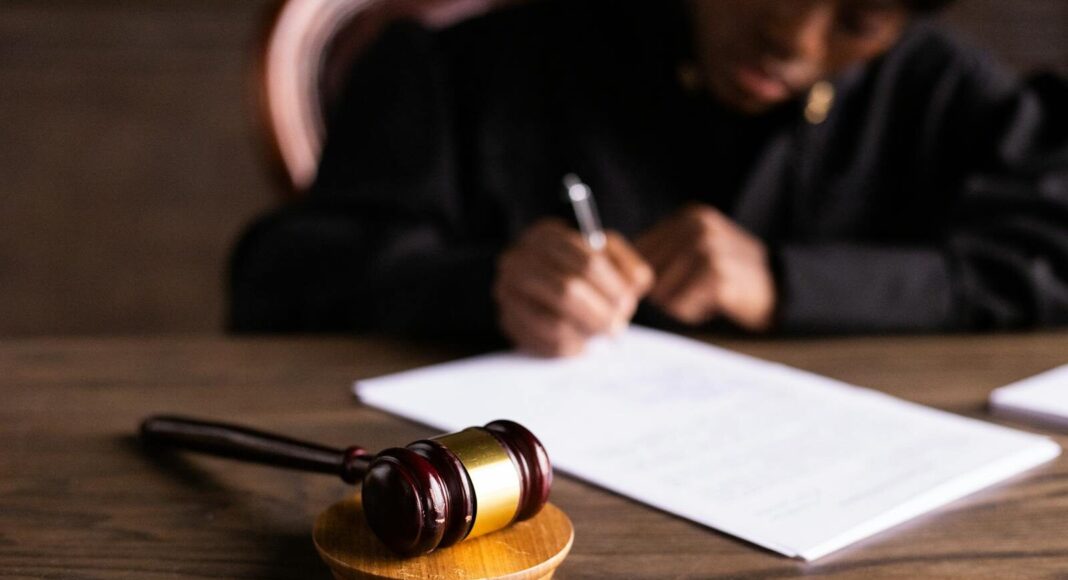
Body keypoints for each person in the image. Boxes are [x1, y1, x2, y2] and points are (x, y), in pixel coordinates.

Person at [230, 0, 1068, 356]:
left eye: (857, 19)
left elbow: (1048, 259)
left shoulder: (938, 90)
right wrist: (485, 286)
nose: (792, 36)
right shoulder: (478, 65)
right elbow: (281, 277)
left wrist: (789, 284)